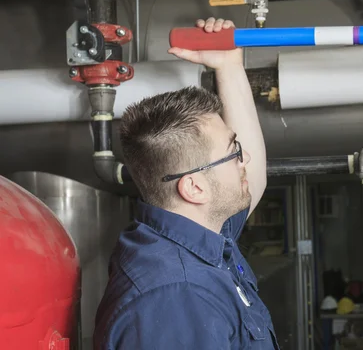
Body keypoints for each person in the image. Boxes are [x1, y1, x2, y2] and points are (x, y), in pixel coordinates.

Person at [93, 18, 278, 349]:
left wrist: (229, 66)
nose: (244, 160)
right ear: (194, 188)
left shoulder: (198, 237)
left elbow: (255, 180)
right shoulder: (176, 296)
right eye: (233, 152)